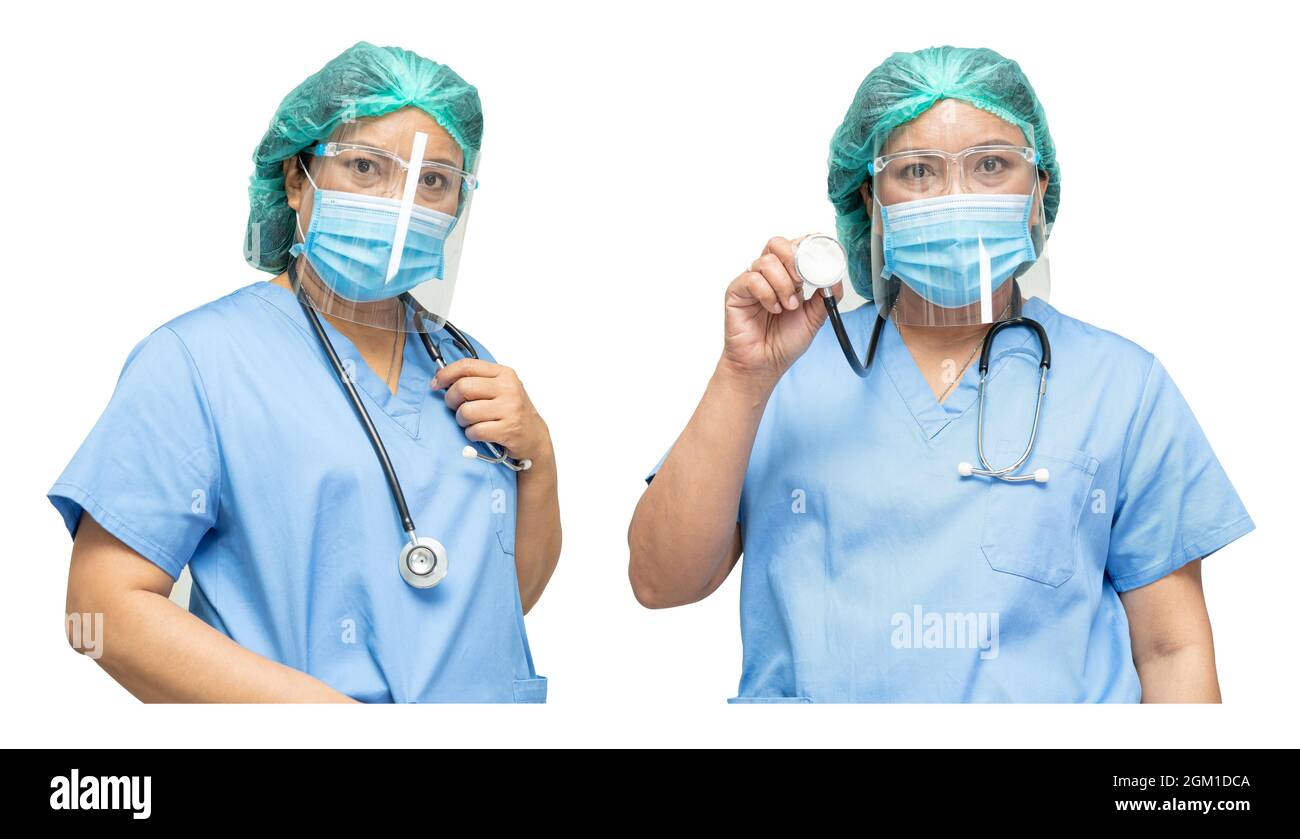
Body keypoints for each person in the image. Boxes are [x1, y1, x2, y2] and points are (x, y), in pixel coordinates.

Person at [627, 45, 1253, 703]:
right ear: (869, 196)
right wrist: (741, 376)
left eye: (990, 165)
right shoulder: (781, 377)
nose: (955, 197)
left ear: (1039, 189)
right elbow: (661, 581)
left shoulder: (1122, 387)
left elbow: (1171, 650)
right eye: (918, 171)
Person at [51, 42, 559, 703]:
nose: (400, 203)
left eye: (433, 181)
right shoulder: (198, 361)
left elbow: (501, 599)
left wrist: (539, 455)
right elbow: (101, 613)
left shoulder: (468, 362)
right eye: (365, 166)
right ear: (296, 179)